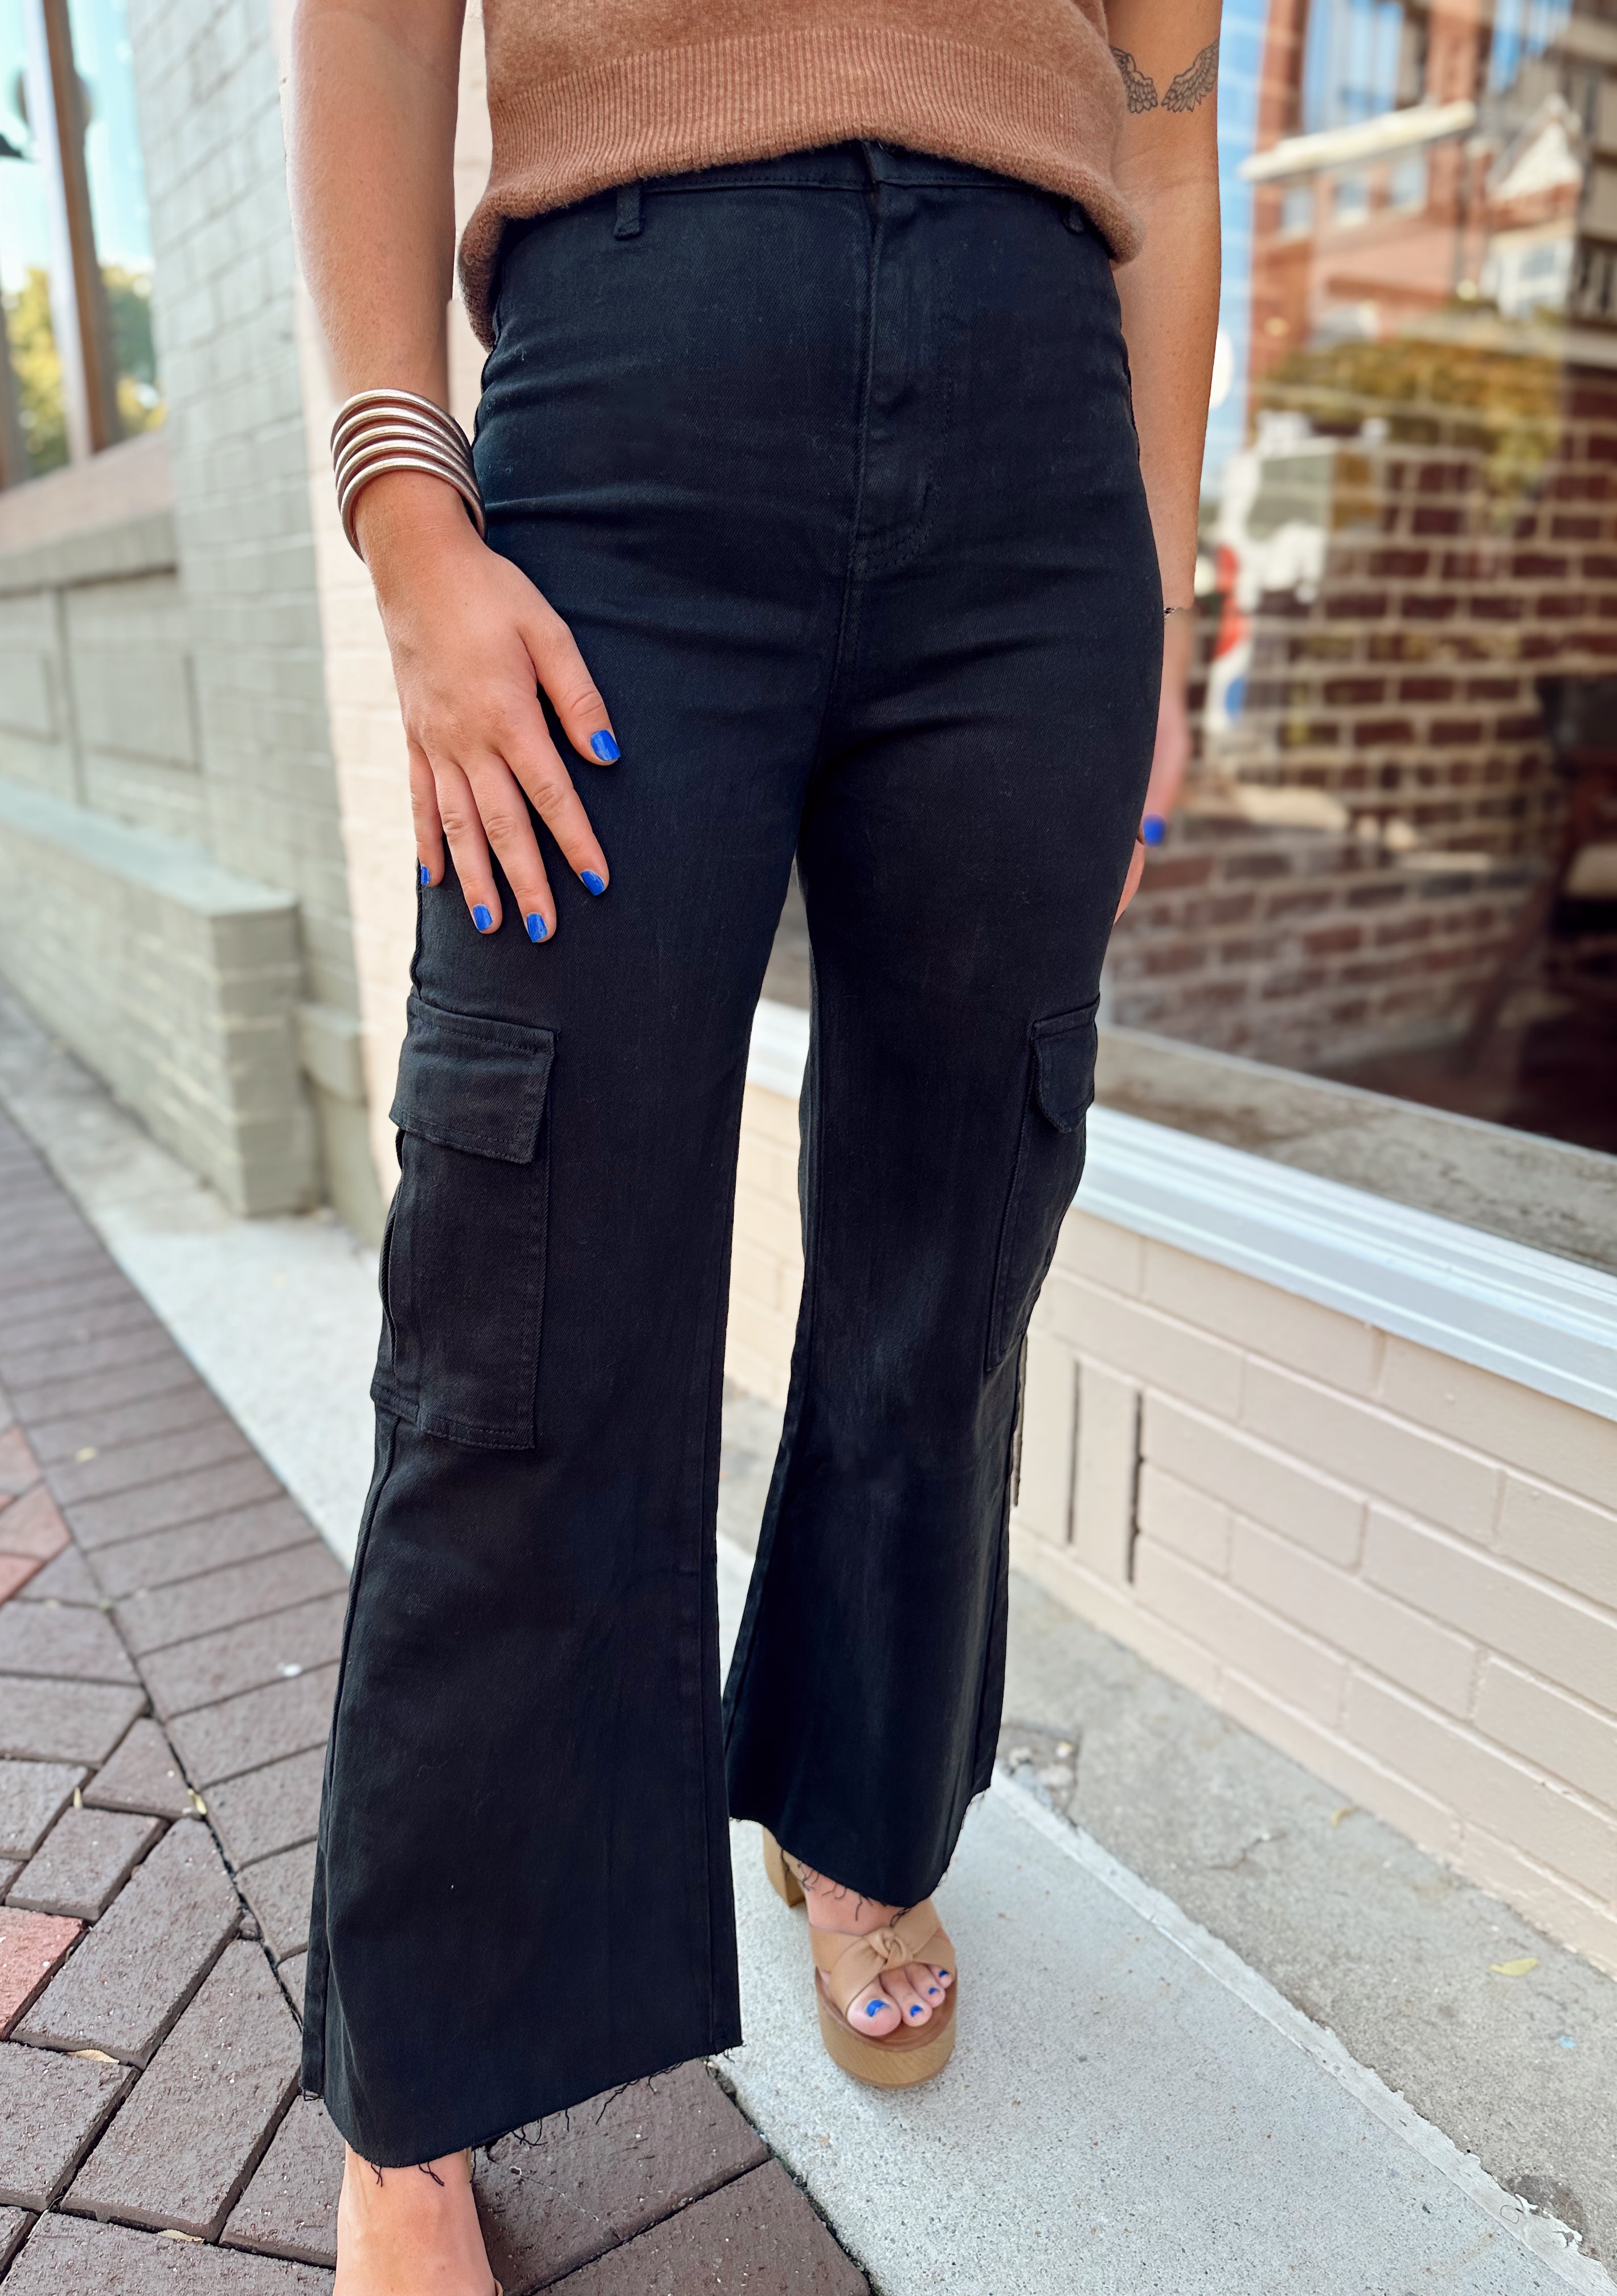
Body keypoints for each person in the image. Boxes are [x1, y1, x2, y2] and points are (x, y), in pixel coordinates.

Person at [288, 1, 1219, 2286]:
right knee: (522, 1293)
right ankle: (421, 2087)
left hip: (1039, 469)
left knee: (950, 1250)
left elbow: (1176, 126)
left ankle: (854, 1812)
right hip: (632, 415)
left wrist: (1161, 602)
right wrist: (404, 502)